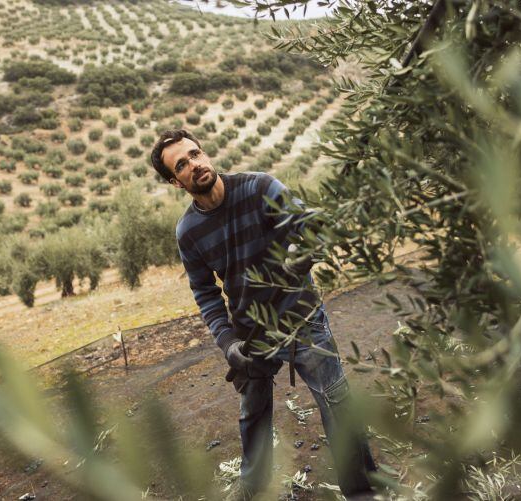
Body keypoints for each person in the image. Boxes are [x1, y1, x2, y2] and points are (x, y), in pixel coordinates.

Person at [150, 129, 377, 499]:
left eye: (195, 154)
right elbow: (205, 294)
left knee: (338, 406)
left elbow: (309, 225)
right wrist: (228, 344)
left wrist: (308, 247)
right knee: (252, 418)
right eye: (182, 165)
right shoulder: (188, 231)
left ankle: (363, 492)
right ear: (176, 182)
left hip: (302, 320)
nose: (195, 164)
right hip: (252, 335)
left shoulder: (259, 189)